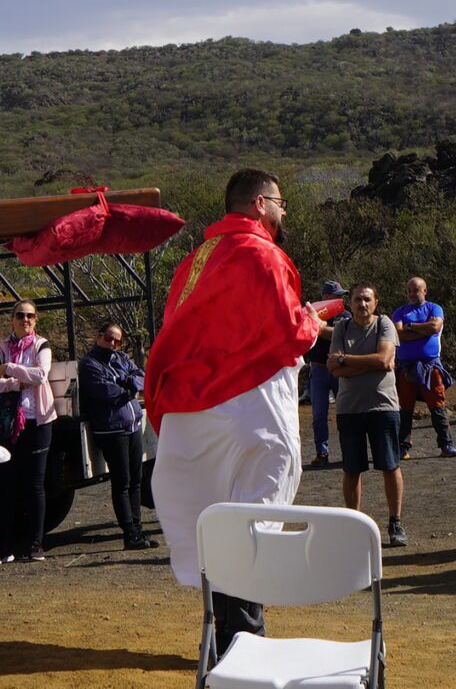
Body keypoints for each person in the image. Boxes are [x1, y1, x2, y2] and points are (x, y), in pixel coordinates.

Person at [148, 168, 337, 660]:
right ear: (258, 204)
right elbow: (285, 330)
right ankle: (246, 644)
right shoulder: (262, 254)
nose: (284, 210)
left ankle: (220, 639)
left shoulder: (195, 260)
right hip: (248, 403)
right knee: (257, 518)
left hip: (195, 406)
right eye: (280, 201)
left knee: (218, 523)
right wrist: (312, 320)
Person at [330, 284, 407, 546]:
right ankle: (355, 524)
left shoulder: (384, 324)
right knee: (352, 469)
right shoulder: (341, 327)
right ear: (349, 303)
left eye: (367, 299)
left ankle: (395, 523)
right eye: (357, 300)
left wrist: (346, 361)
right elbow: (333, 367)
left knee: (390, 464)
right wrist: (368, 363)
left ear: (376, 302)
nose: (362, 304)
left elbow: (385, 361)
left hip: (383, 407)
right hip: (349, 409)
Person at [0, 301, 57, 563]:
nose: (25, 320)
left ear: (36, 320)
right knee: (6, 485)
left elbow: (40, 376)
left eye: (30, 316)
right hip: (6, 425)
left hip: (38, 422)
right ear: (11, 319)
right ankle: (5, 548)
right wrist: (18, 382)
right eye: (20, 315)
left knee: (35, 484)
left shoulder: (41, 345)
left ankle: (36, 544)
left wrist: (10, 370)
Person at [79, 317, 152, 550]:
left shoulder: (121, 358)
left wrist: (127, 381)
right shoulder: (89, 363)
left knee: (136, 481)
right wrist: (128, 386)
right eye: (108, 338)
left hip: (131, 426)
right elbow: (104, 391)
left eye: (117, 341)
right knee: (122, 482)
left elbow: (141, 377)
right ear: (99, 337)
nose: (112, 343)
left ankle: (138, 530)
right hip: (111, 430)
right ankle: (129, 534)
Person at [392, 275, 456, 458]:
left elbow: (435, 327)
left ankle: (446, 445)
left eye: (416, 290)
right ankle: (403, 447)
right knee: (405, 408)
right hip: (406, 367)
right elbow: (399, 334)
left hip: (431, 367)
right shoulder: (400, 311)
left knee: (437, 405)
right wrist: (423, 331)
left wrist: (411, 326)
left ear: (425, 291)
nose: (412, 293)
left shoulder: (434, 308)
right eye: (410, 290)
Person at [306, 277, 344, 466]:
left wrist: (321, 328)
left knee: (345, 411)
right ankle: (322, 453)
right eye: (336, 296)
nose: (339, 300)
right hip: (318, 369)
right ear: (326, 296)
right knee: (319, 414)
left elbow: (340, 332)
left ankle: (348, 450)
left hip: (339, 368)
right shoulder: (313, 313)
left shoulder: (344, 314)